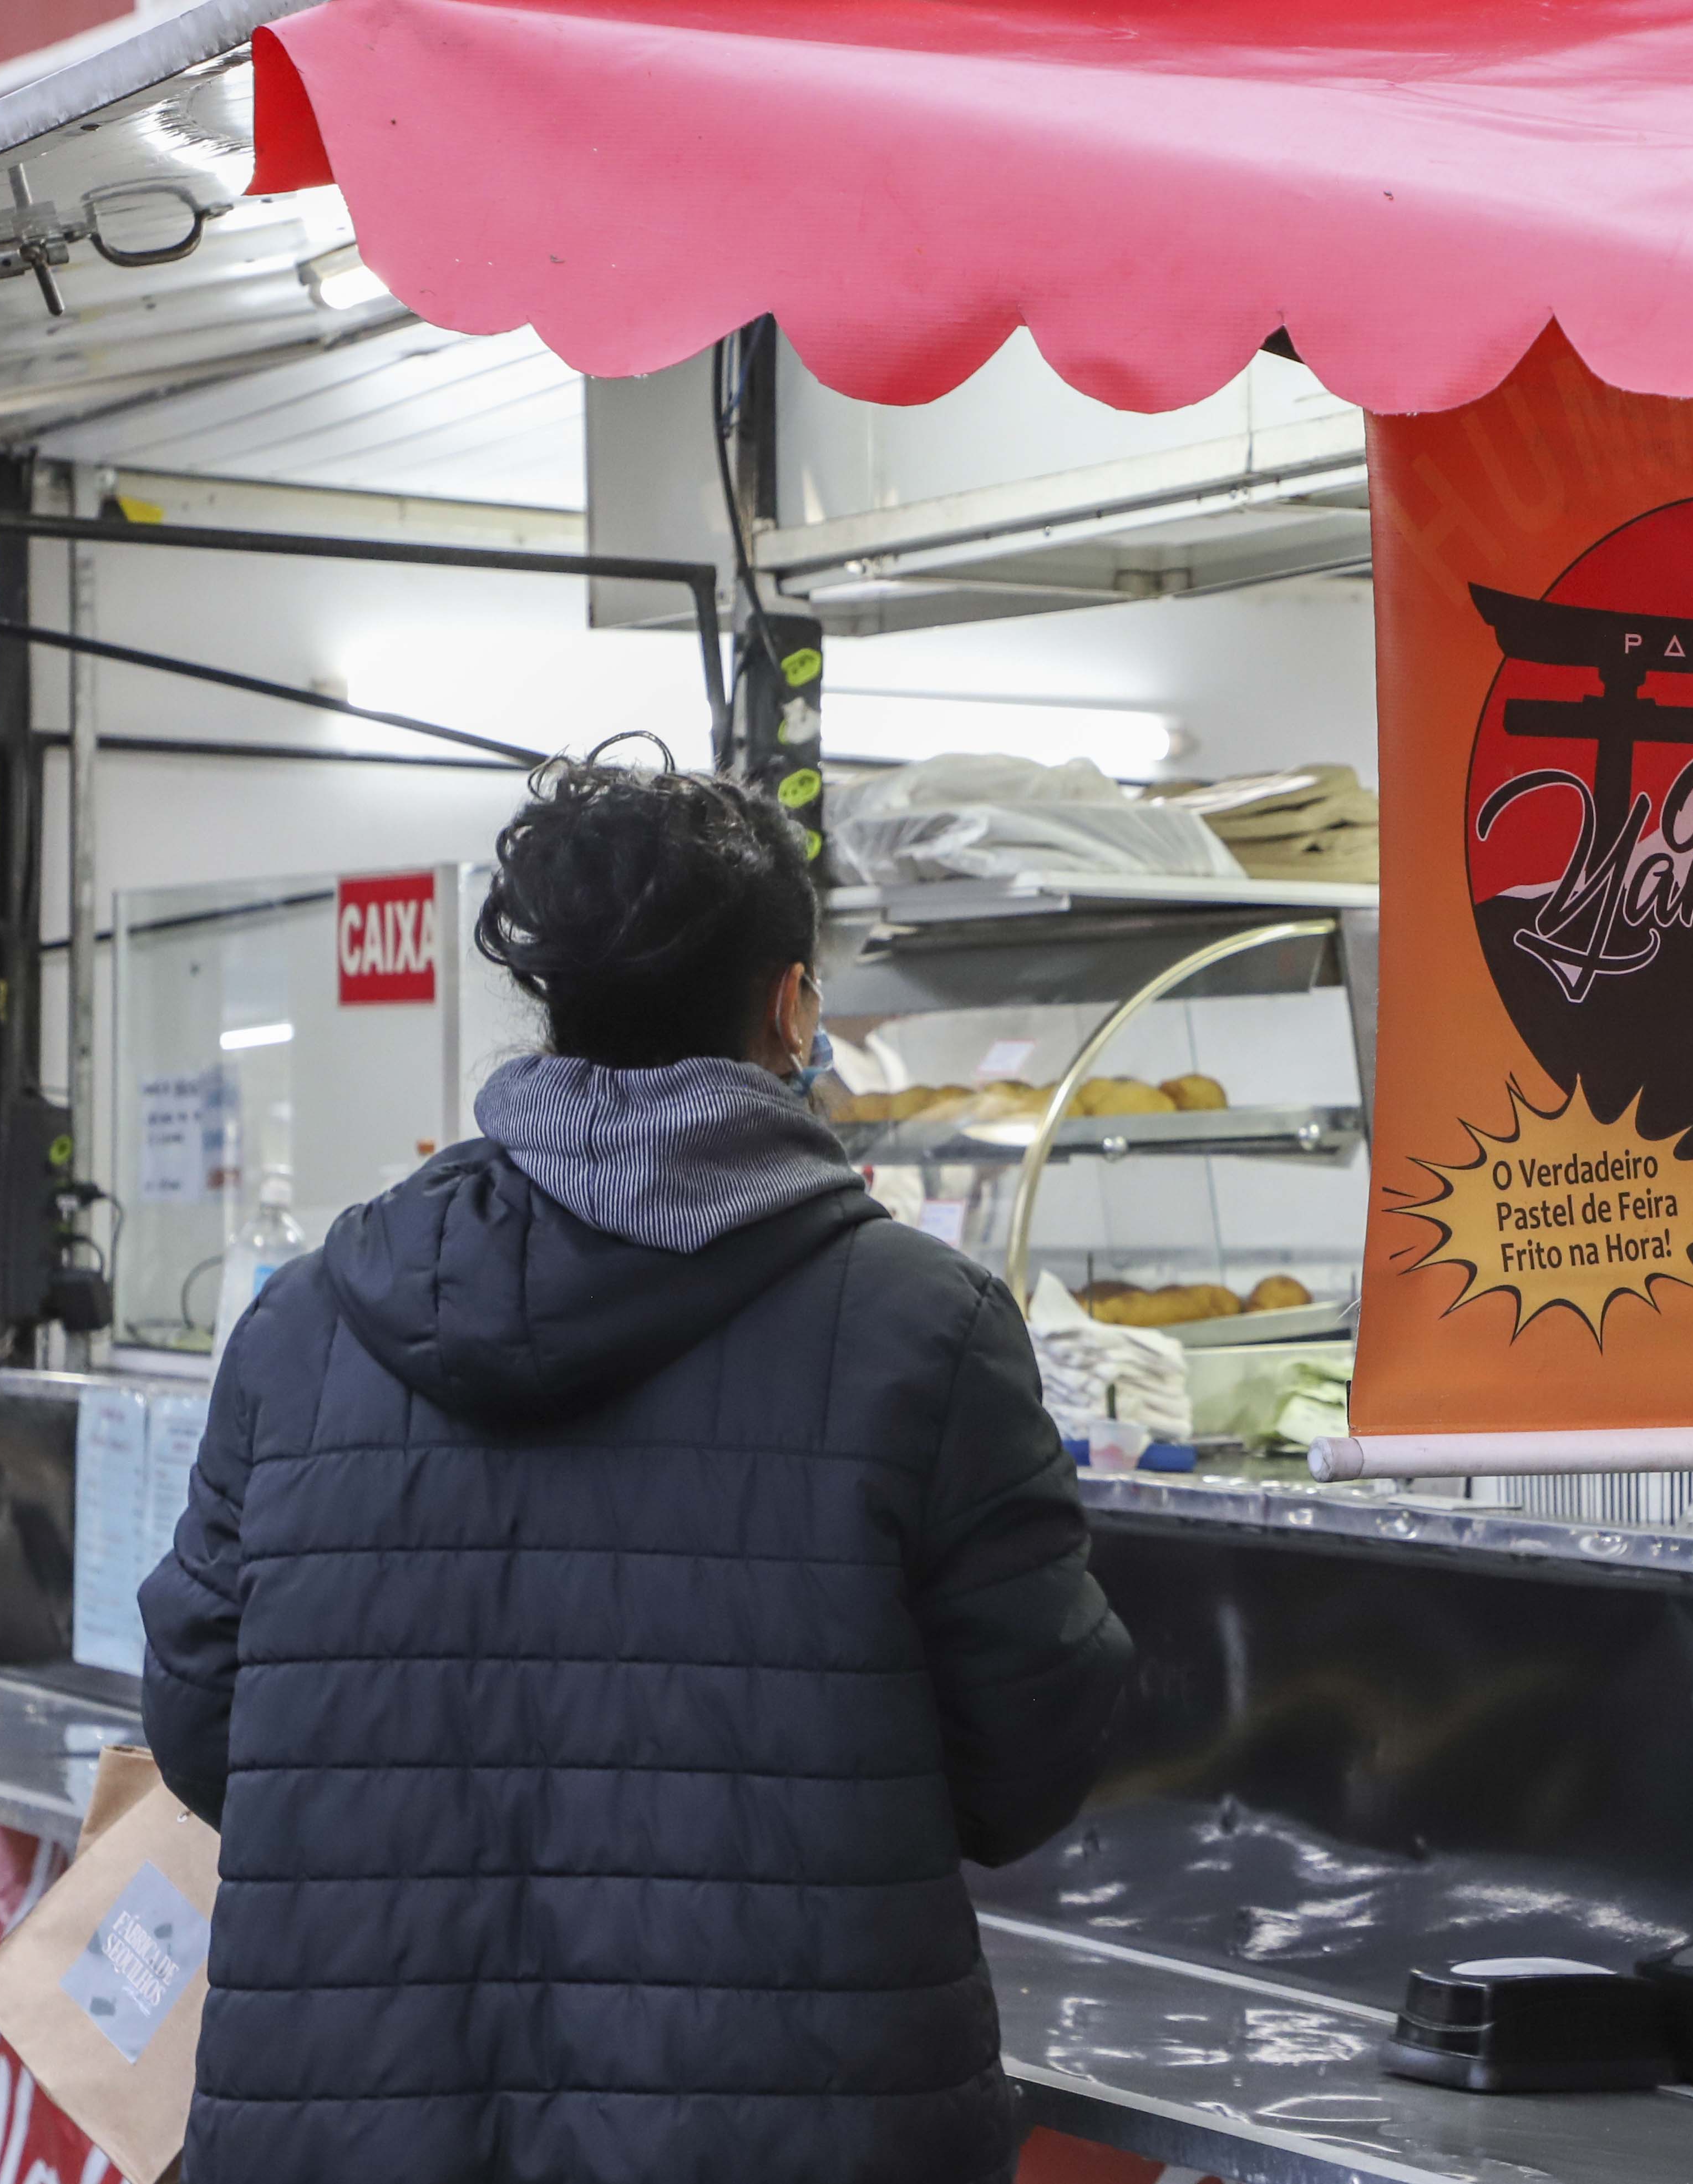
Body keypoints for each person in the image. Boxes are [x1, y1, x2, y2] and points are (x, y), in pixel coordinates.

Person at [139, 743, 1134, 2184]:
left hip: (360, 2120)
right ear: (793, 1004)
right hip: (796, 2129)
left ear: (552, 1010)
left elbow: (201, 1721)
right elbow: (1032, 1754)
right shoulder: (926, 1332)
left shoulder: (305, 1326)